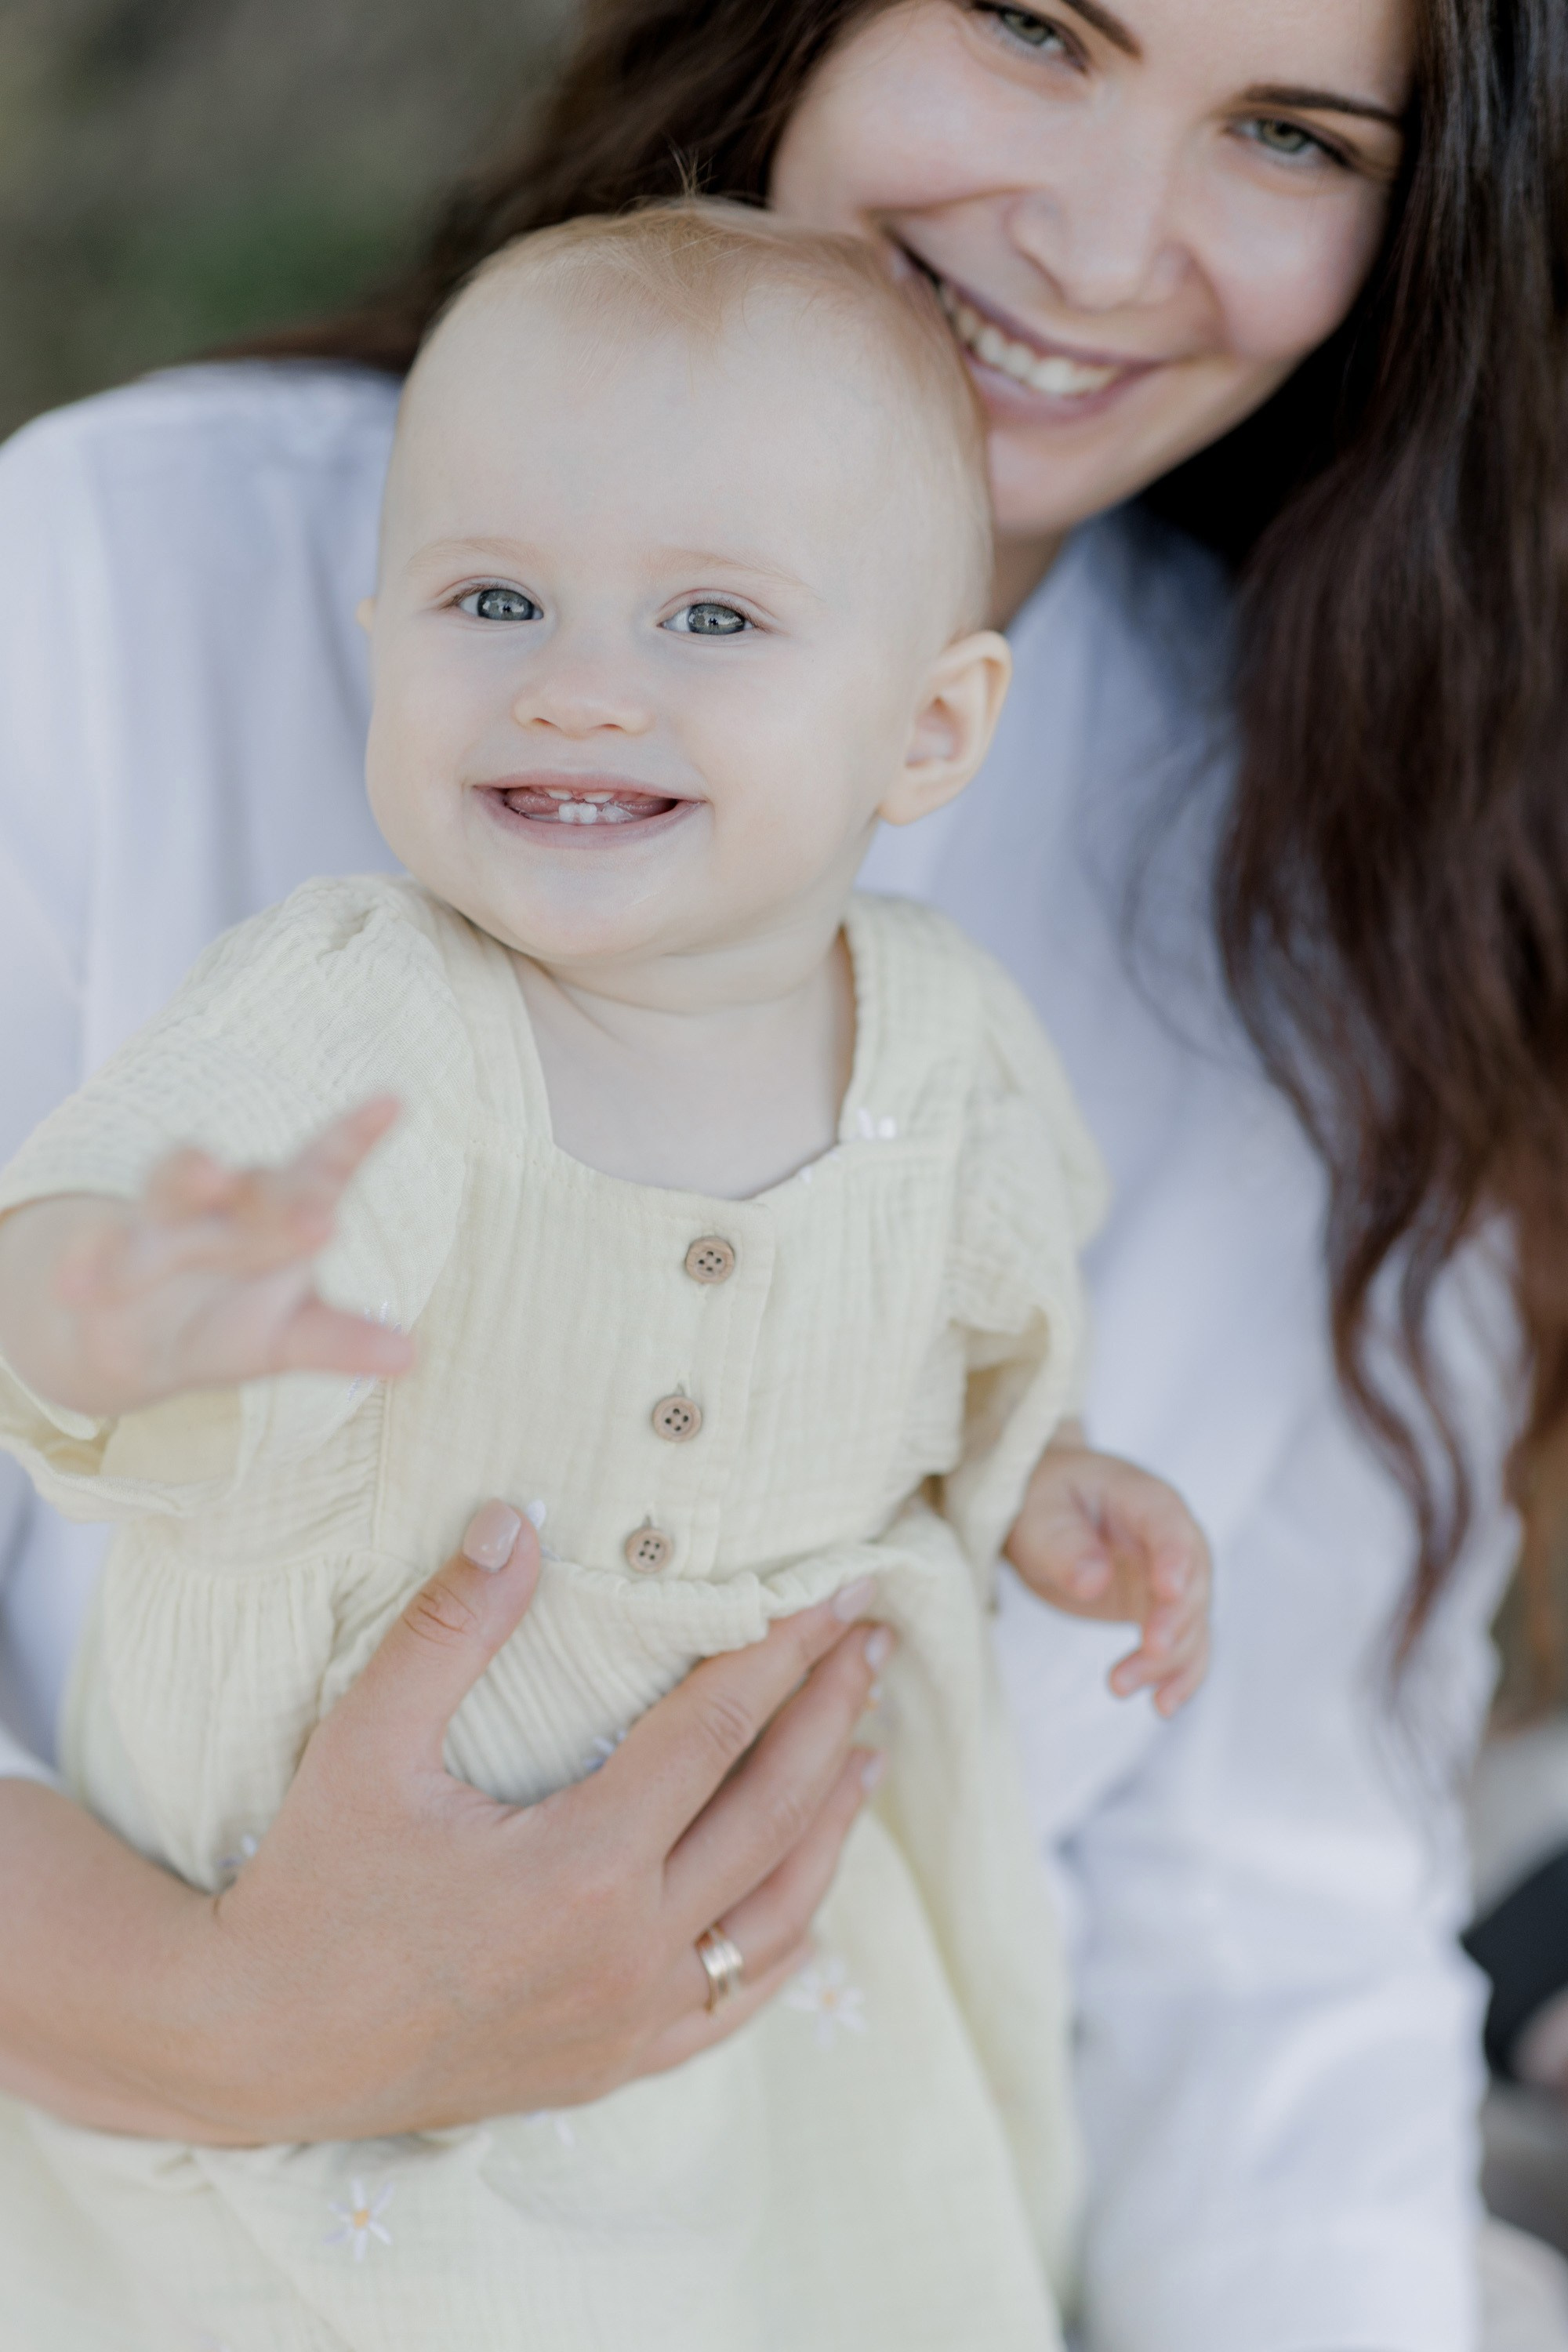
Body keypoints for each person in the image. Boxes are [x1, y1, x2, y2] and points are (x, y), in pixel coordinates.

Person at [2, 1, 1564, 2345]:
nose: (1098, 238)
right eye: (1036, 23)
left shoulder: (1315, 865)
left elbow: (1250, 1927)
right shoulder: (120, 589)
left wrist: (1044, 1480)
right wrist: (230, 2014)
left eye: (1287, 131)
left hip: (843, 2205)